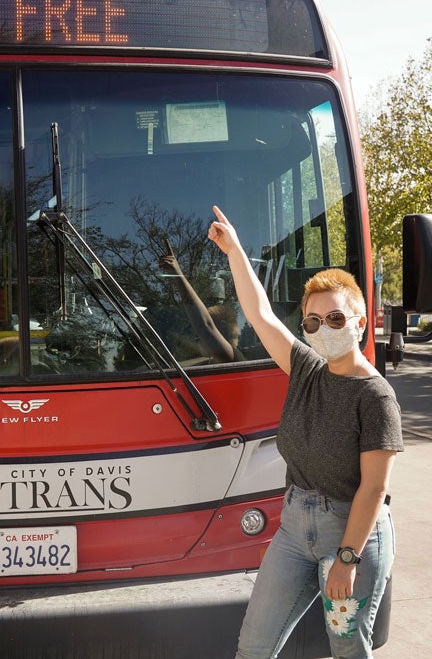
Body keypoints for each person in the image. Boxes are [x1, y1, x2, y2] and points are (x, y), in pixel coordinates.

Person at [207, 205, 403, 659]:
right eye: (313, 322)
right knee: (254, 645)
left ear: (359, 321)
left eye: (335, 318)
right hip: (295, 532)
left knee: (346, 645)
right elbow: (259, 314)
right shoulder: (307, 369)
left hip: (351, 537)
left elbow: (374, 488)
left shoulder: (375, 397)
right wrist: (235, 250)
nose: (323, 328)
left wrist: (347, 560)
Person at [159, 240, 243, 363]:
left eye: (199, 336)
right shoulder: (208, 363)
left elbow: (205, 326)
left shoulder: (232, 360)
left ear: (217, 337)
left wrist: (178, 274)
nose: (197, 339)